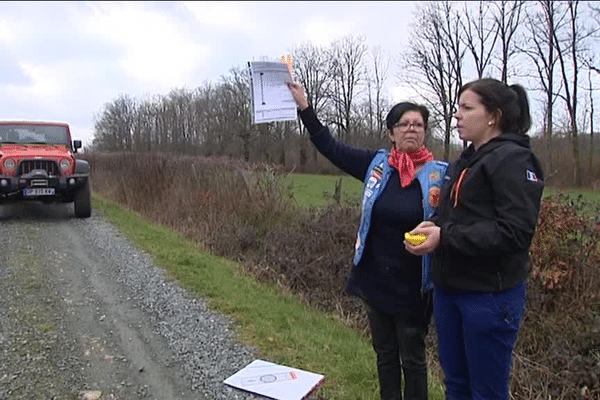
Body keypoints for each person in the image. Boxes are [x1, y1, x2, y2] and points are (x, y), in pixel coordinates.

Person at [288, 81, 448, 400]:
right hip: (376, 277)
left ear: (426, 131)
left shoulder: (440, 174)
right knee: (385, 354)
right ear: (391, 132)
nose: (411, 129)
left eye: (418, 124)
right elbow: (329, 147)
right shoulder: (376, 166)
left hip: (414, 284)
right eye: (404, 124)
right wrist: (305, 109)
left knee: (413, 359)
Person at [405, 78, 544, 400]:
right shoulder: (467, 159)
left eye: (467, 108)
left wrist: (445, 235)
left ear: (493, 116)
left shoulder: (513, 160)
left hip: (489, 296)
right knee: (456, 384)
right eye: (458, 108)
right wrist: (434, 225)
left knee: (487, 392)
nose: (457, 115)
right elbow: (457, 214)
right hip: (450, 290)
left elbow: (515, 232)